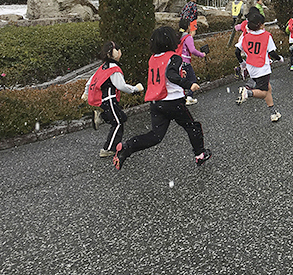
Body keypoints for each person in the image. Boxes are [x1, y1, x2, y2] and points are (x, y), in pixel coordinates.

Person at [112, 26, 210, 170]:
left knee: (155, 136)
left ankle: (127, 148)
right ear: (171, 41)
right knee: (192, 127)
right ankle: (200, 154)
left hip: (156, 102)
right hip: (173, 101)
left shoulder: (153, 59)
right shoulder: (174, 57)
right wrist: (190, 84)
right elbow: (171, 76)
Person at [83, 41, 144, 158]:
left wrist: (86, 93)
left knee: (121, 117)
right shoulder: (114, 69)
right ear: (115, 53)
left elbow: (90, 81)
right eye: (119, 50)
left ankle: (100, 115)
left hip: (102, 100)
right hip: (110, 100)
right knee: (118, 122)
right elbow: (121, 86)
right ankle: (108, 148)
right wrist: (135, 88)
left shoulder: (102, 67)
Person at [235, 8, 283, 121]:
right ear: (261, 25)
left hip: (251, 66)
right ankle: (247, 93)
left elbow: (237, 51)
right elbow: (272, 52)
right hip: (262, 67)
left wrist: (242, 63)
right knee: (263, 92)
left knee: (268, 88)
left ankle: (273, 112)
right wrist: (279, 58)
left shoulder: (246, 36)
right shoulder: (266, 36)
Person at [177, 17, 207, 105]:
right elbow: (192, 50)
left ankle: (181, 98)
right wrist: (202, 54)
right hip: (185, 62)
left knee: (182, 80)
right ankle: (189, 97)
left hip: (178, 61)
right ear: (188, 27)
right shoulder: (188, 37)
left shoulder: (178, 36)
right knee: (192, 79)